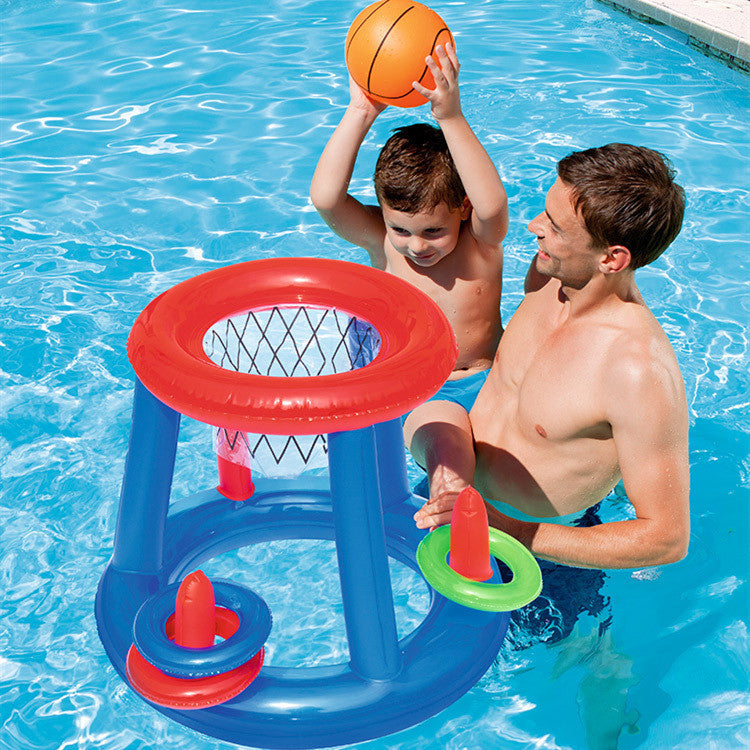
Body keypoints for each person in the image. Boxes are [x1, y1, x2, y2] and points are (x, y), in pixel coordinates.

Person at [409, 143, 690, 570]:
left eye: (555, 226)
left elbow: (666, 540)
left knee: (565, 641)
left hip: (537, 545)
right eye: (545, 211)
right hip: (456, 499)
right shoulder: (550, 274)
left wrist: (506, 530)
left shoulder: (634, 369)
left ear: (612, 259)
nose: (533, 226)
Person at [310, 43, 508, 422]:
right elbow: (326, 200)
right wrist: (360, 112)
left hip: (483, 383)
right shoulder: (382, 240)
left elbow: (493, 205)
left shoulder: (480, 242)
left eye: (433, 230)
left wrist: (451, 118)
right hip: (412, 391)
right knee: (442, 447)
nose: (416, 245)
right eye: (400, 228)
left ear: (463, 208)